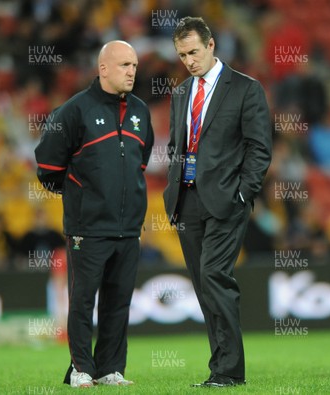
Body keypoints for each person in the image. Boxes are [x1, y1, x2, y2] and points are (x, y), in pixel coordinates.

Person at [35, 40, 154, 388]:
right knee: (83, 301)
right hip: (88, 227)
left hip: (128, 227)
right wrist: (81, 197)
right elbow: (47, 165)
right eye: (124, 65)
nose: (132, 71)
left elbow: (139, 162)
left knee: (118, 302)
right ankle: (80, 369)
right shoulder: (74, 110)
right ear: (103, 68)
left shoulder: (140, 111)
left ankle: (110, 369)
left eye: (134, 65)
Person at [163, 17, 272, 387]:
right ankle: (220, 369)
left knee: (214, 276)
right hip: (187, 200)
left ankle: (228, 371)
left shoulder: (245, 89)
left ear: (211, 46)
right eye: (182, 55)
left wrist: (243, 192)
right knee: (202, 283)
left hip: (227, 199)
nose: (188, 60)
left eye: (193, 52)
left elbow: (260, 148)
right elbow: (177, 146)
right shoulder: (180, 94)